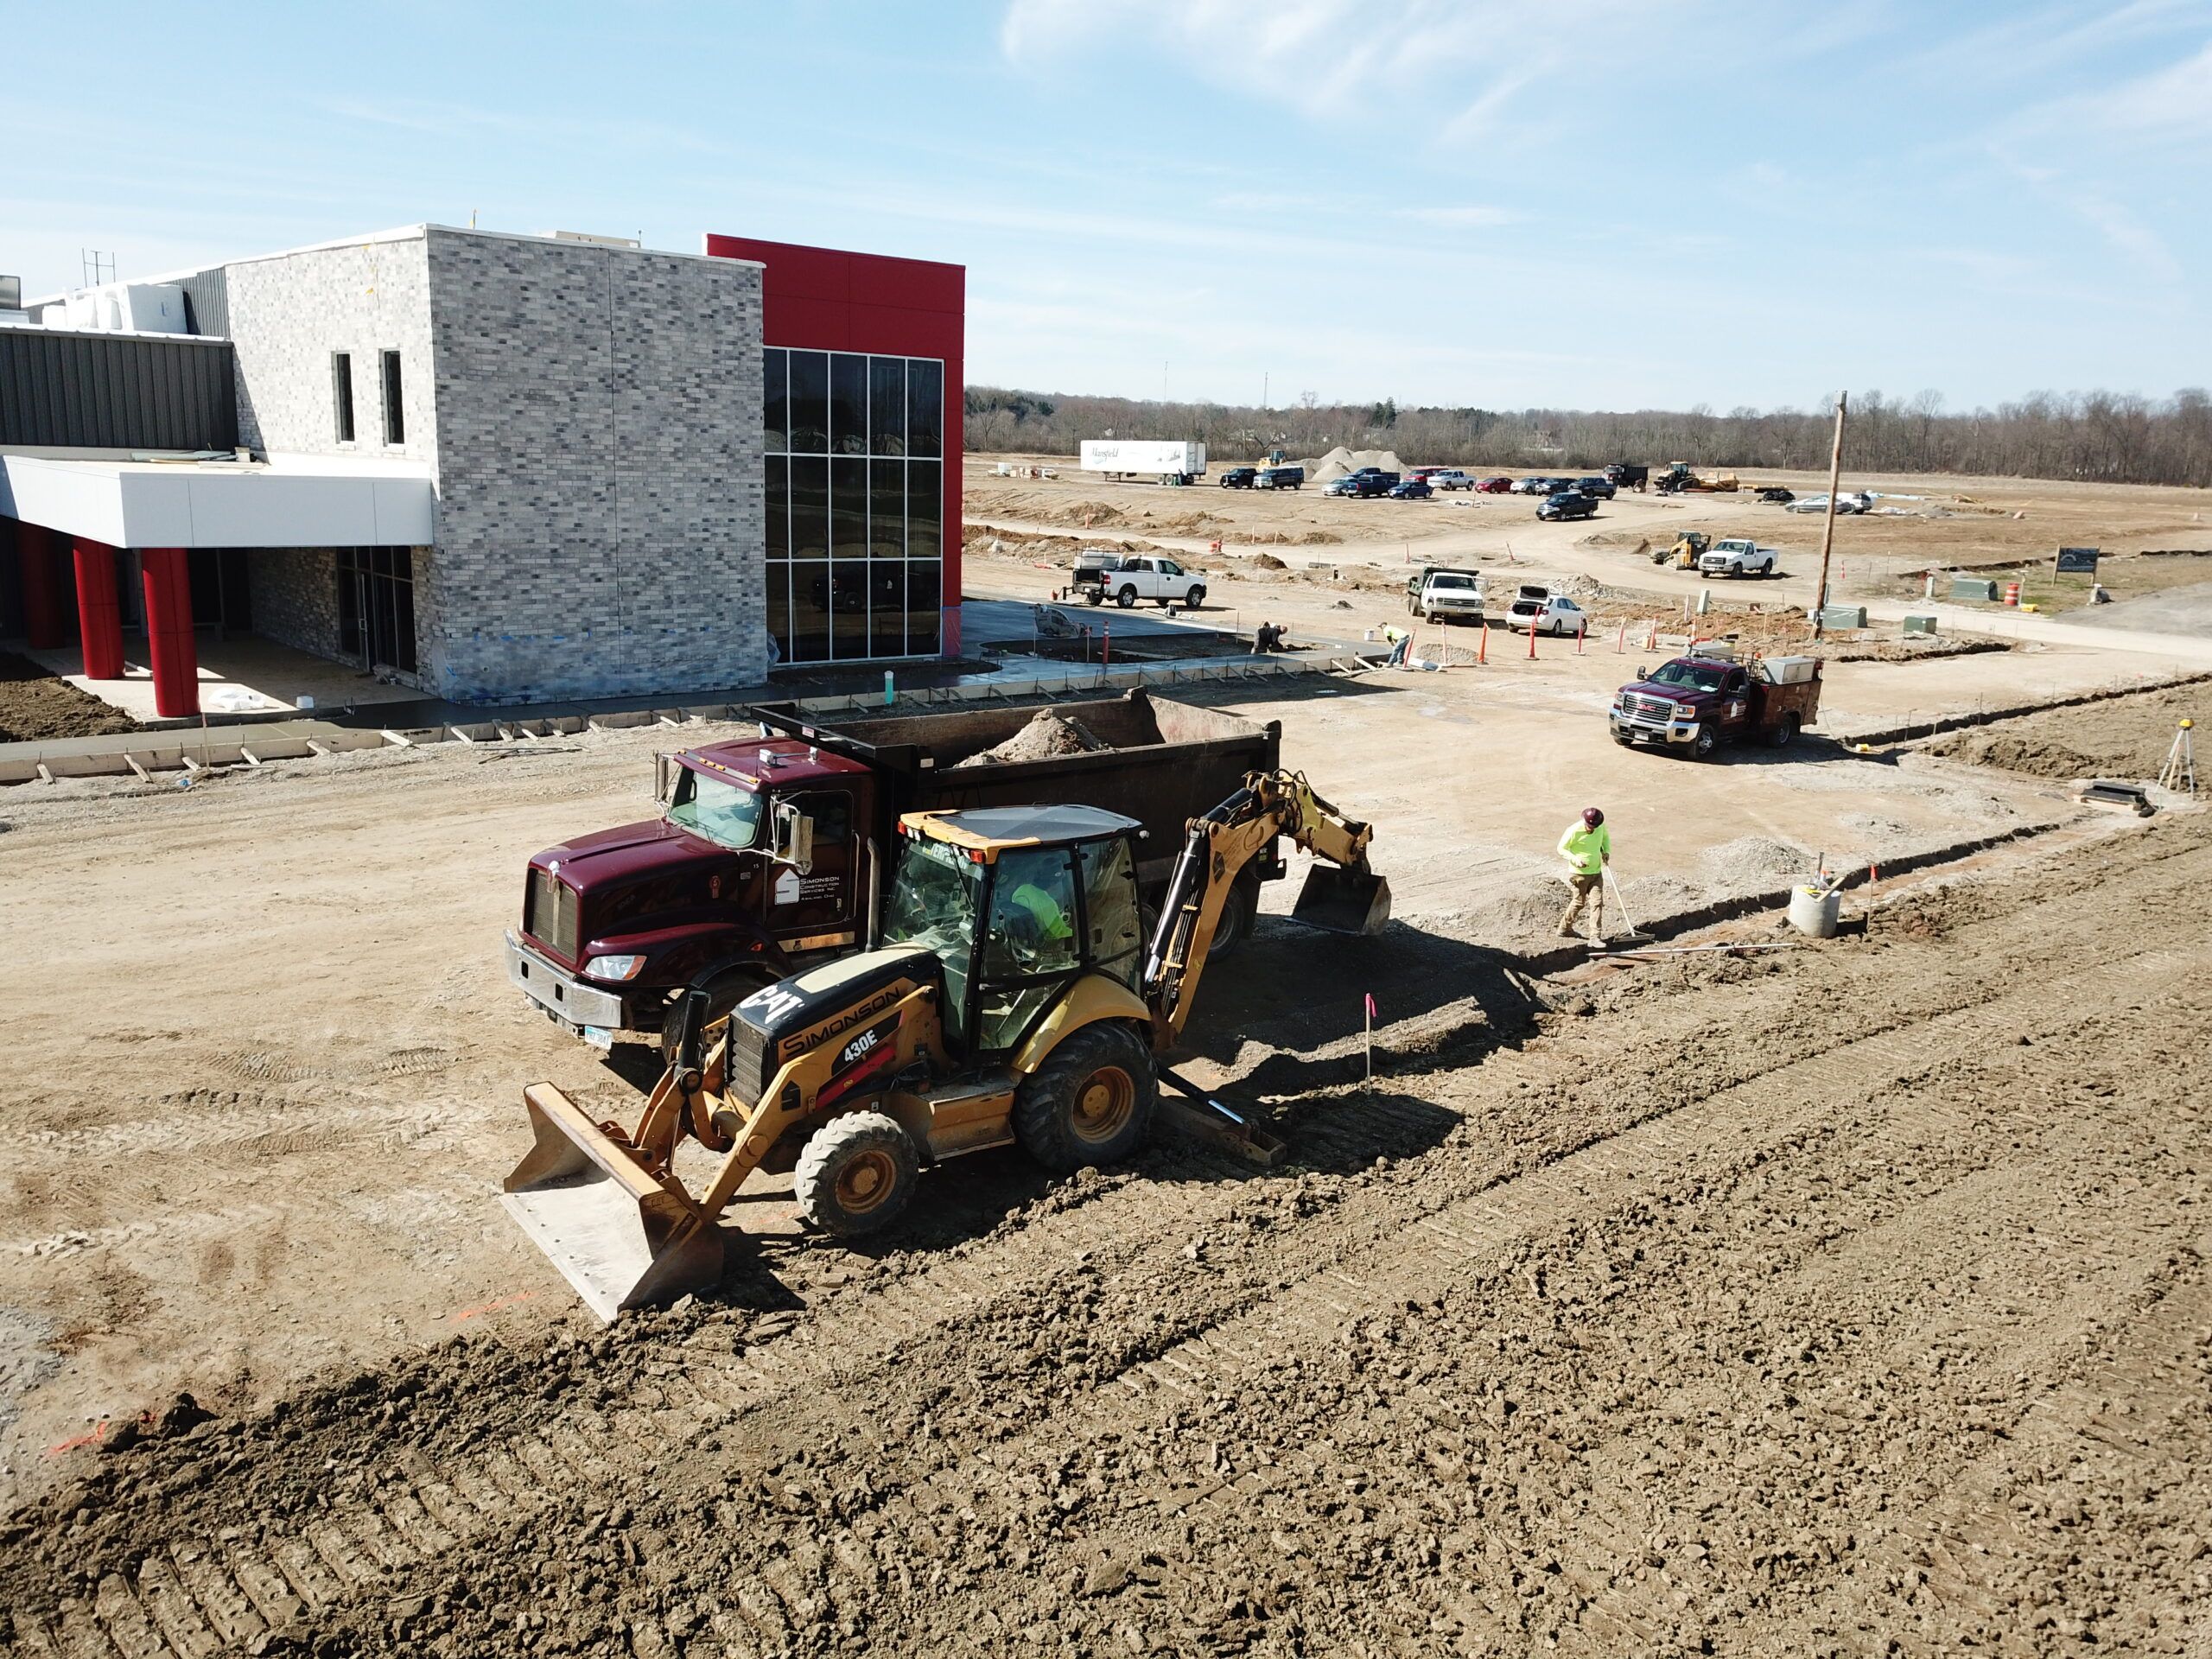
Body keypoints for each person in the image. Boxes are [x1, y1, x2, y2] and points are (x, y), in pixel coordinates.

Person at [1556, 806, 1611, 939]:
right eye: (1589, 826)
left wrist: (1606, 851)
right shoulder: (1573, 830)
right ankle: (1564, 928)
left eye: (1594, 827)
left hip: (1596, 872)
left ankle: (1595, 937)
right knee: (1579, 903)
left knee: (1597, 903)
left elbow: (1605, 838)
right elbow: (1561, 849)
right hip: (1579, 874)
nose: (1592, 829)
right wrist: (1575, 859)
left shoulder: (1600, 826)